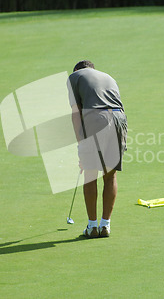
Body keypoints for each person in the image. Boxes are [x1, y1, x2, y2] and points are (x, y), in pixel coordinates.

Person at [67, 60, 127, 238]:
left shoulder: (74, 77)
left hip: (95, 117)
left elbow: (75, 113)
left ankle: (92, 226)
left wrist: (81, 146)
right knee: (110, 175)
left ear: (78, 70)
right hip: (119, 118)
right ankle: (105, 225)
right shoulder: (108, 76)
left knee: (90, 175)